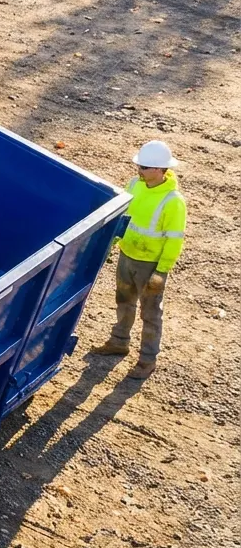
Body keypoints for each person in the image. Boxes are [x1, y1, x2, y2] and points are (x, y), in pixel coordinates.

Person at [92, 140, 187, 380]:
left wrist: (161, 271)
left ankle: (147, 360)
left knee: (151, 314)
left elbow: (174, 240)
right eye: (139, 166)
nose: (139, 171)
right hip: (127, 256)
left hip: (151, 266)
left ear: (159, 169)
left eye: (144, 167)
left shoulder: (173, 201)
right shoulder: (135, 184)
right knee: (124, 301)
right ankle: (119, 342)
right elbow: (122, 217)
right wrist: (111, 245)